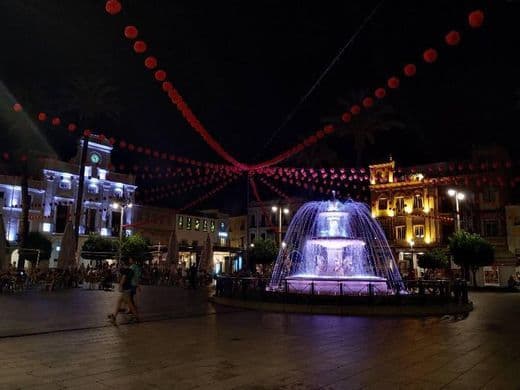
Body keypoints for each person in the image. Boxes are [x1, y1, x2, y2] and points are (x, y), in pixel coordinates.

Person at [108, 259, 139, 324]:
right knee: (119, 302)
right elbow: (135, 278)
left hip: (125, 289)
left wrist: (120, 285)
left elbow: (123, 278)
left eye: (122, 263)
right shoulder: (131, 271)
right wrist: (138, 286)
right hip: (129, 288)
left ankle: (136, 317)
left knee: (130, 304)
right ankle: (114, 317)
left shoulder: (125, 271)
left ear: (124, 264)